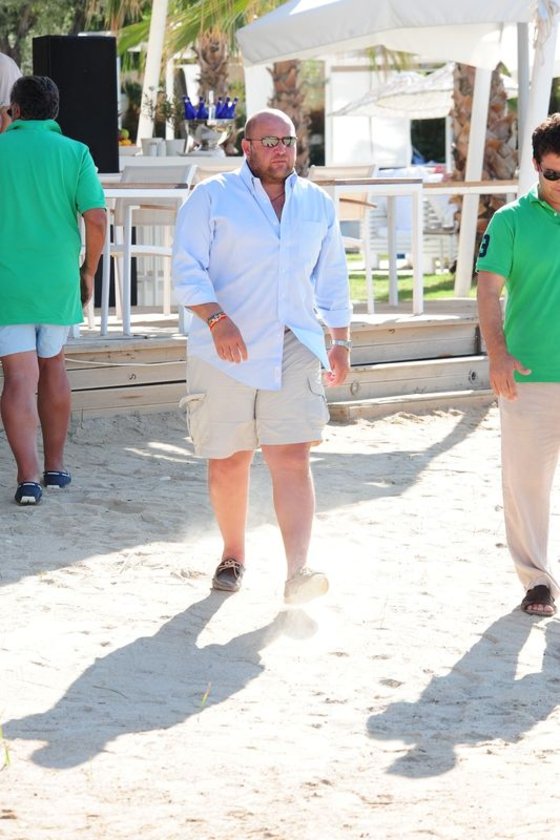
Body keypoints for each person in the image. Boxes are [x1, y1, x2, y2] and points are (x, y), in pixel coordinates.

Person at [172, 108, 352, 604]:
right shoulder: (211, 197)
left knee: (291, 455)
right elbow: (187, 269)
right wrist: (216, 319)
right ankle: (233, 555)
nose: (281, 150)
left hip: (294, 342)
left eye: (287, 141)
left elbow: (332, 277)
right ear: (245, 147)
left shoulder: (315, 203)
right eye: (269, 142)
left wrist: (340, 341)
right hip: (223, 345)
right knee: (229, 459)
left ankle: (298, 571)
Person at [0, 75, 106, 505]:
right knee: (54, 366)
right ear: (55, 112)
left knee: (19, 377)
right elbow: (96, 219)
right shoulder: (75, 152)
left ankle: (27, 479)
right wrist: (88, 271)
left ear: (14, 111)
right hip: (59, 279)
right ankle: (56, 469)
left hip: (7, 281)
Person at [476, 112, 560, 617]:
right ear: (534, 165)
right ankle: (537, 582)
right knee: (527, 485)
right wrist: (498, 354)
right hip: (530, 377)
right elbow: (488, 291)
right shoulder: (509, 221)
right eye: (553, 173)